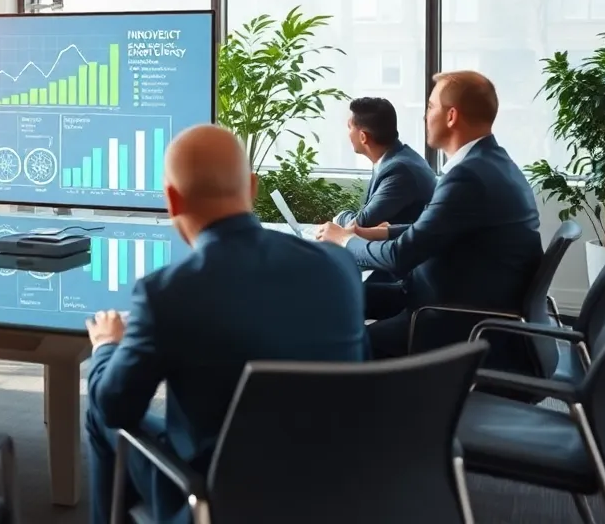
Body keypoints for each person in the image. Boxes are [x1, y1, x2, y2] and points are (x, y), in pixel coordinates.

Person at [85, 125, 366, 524]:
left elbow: (117, 407)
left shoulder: (167, 293)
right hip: (339, 490)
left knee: (99, 410)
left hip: (218, 503)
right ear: (251, 187)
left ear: (172, 200)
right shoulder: (338, 266)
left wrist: (107, 346)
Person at [317, 71, 543, 361]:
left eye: (431, 107)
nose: (425, 116)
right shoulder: (492, 163)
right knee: (333, 296)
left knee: (333, 346)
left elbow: (401, 256)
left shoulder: (469, 176)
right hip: (440, 298)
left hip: (448, 319)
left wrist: (345, 240)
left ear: (451, 116)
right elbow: (436, 229)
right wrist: (378, 232)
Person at [333, 97, 435, 228]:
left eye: (349, 127)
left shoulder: (399, 171)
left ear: (363, 137)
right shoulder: (395, 159)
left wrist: (340, 217)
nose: (348, 134)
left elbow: (362, 223)